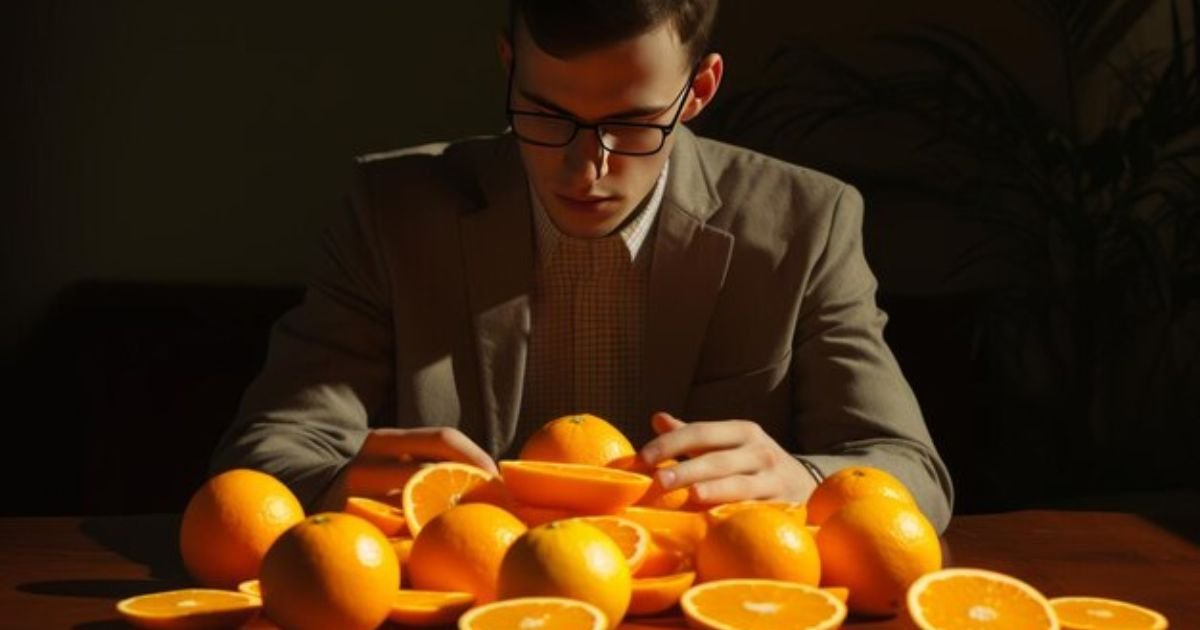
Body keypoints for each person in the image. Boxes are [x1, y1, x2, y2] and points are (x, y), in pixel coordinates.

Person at [212, 0, 954, 531]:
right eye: (545, 116)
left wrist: (806, 481)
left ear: (700, 89)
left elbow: (911, 472)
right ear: (509, 65)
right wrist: (343, 483)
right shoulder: (393, 212)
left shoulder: (804, 223)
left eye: (631, 124)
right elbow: (263, 456)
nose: (585, 167)